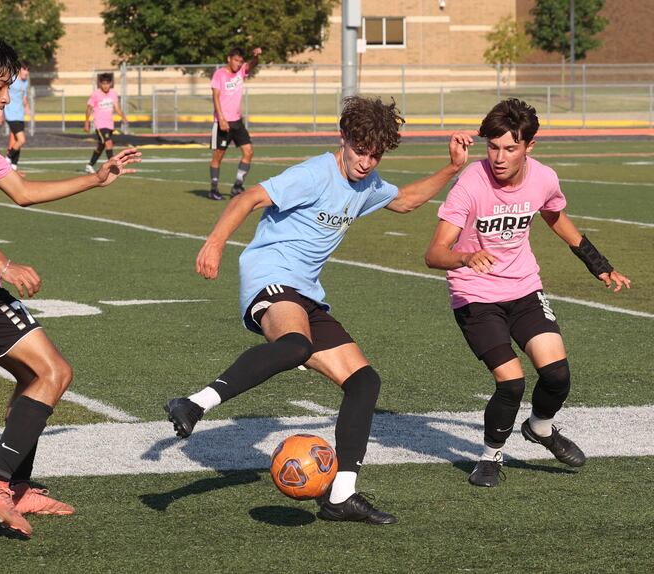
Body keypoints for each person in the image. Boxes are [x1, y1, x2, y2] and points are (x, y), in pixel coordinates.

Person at [165, 96, 473, 524]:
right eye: (360, 151)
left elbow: (404, 201)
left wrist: (453, 168)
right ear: (343, 138)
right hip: (270, 274)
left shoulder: (367, 182)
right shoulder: (314, 174)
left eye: (375, 155)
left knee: (364, 381)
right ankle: (194, 403)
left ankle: (341, 495)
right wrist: (215, 243)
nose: (366, 162)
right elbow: (250, 198)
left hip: (306, 291)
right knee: (294, 345)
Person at [0, 29, 141, 537]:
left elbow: (20, 191)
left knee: (33, 378)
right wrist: (2, 263)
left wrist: (95, 179)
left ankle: (17, 487)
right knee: (55, 372)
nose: (7, 96)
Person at [424, 98, 631, 488]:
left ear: (528, 147)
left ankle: (540, 427)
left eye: (510, 148)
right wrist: (466, 258)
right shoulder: (469, 183)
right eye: (493, 147)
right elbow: (434, 254)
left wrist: (598, 264)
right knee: (512, 382)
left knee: (557, 375)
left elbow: (556, 217)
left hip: (523, 288)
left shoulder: (544, 178)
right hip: (475, 296)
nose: (499, 158)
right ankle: (490, 457)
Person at [208, 46, 261, 201]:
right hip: (222, 123)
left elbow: (253, 64)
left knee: (249, 151)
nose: (238, 64)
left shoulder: (241, 72)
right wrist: (222, 119)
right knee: (218, 155)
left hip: (237, 122)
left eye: (240, 61)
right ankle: (213, 189)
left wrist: (256, 56)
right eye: (236, 60)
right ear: (229, 59)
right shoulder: (219, 75)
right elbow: (216, 97)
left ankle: (237, 186)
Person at [84, 72, 125, 174]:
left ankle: (89, 165)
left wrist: (123, 116)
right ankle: (112, 166)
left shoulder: (113, 93)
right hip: (100, 124)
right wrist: (86, 122)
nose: (105, 86)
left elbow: (117, 107)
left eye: (107, 83)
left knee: (101, 146)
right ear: (100, 84)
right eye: (103, 83)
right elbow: (89, 108)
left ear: (110, 83)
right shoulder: (96, 94)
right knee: (109, 142)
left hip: (109, 124)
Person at [4, 61, 31, 171]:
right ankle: (7, 158)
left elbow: (24, 98)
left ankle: (14, 166)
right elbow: (3, 93)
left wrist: (27, 107)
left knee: (17, 141)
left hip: (20, 115)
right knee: (22, 140)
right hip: (11, 115)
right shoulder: (11, 80)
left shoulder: (25, 83)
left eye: (29, 70)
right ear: (20, 69)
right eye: (25, 69)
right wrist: (0, 112)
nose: (27, 72)